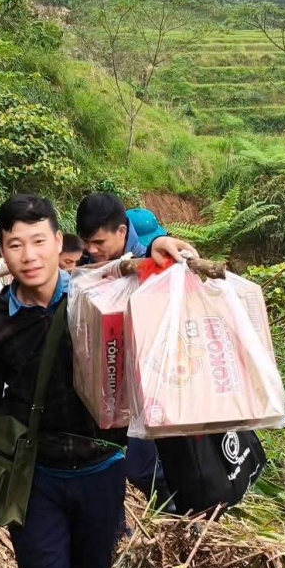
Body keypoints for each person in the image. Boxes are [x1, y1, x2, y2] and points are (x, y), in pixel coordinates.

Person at [0, 194, 127, 568]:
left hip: (102, 465)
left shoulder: (95, 294)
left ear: (58, 241)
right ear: (2, 249)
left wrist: (170, 246)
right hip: (37, 477)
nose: (28, 256)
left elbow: (143, 272)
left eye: (37, 241)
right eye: (16, 244)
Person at [75, 194, 197, 514]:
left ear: (121, 231)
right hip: (108, 380)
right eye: (87, 242)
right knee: (112, 460)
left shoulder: (152, 261)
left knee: (142, 466)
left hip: (150, 383)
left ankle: (182, 515)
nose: (92, 250)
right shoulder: (90, 261)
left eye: (99, 242)